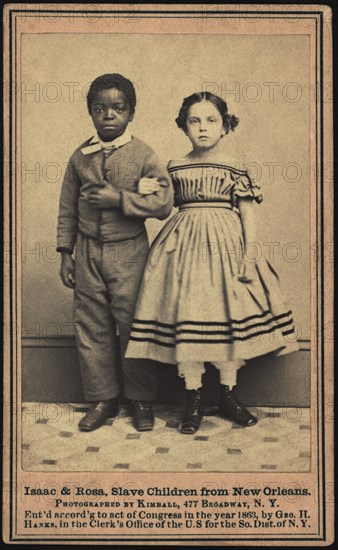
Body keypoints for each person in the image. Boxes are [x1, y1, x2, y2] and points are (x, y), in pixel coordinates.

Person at [125, 91, 299, 435]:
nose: (203, 128)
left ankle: (228, 396)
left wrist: (249, 256)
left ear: (225, 126)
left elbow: (247, 212)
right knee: (189, 318)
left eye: (211, 120)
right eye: (194, 121)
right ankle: (194, 399)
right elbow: (160, 205)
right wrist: (143, 187)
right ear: (184, 126)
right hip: (181, 251)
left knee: (227, 318)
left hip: (226, 247)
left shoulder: (234, 165)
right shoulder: (174, 165)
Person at [56, 73, 173, 432]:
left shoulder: (144, 155)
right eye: (99, 108)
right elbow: (67, 207)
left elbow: (163, 202)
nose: (109, 115)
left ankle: (140, 399)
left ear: (131, 113)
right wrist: (66, 252)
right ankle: (102, 399)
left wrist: (119, 199)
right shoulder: (80, 157)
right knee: (92, 327)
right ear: (90, 112)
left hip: (130, 254)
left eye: (118, 108)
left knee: (135, 327)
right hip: (88, 253)